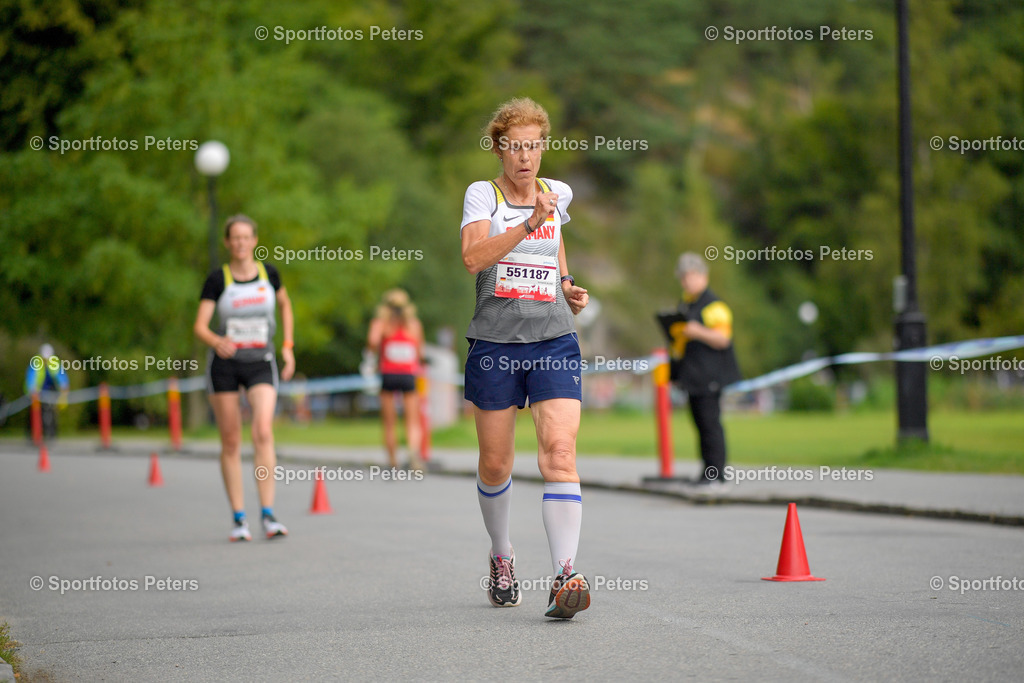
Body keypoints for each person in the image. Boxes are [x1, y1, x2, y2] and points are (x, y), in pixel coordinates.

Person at [461, 97, 592, 619]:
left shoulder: (557, 193)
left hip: (553, 337)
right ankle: (502, 554)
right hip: (495, 342)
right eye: (515, 147)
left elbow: (555, 241)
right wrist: (525, 224)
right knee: (496, 464)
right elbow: (473, 258)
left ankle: (565, 574)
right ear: (499, 149)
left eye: (533, 146)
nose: (525, 157)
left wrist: (566, 283)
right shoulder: (483, 195)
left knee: (559, 451)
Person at [193, 214, 295, 542]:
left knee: (263, 431)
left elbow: (285, 306)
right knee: (231, 440)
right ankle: (239, 517)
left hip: (260, 362)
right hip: (225, 365)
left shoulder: (269, 275)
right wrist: (216, 341)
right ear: (227, 242)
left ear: (254, 240)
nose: (240, 243)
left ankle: (268, 513)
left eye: (245, 237)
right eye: (234, 238)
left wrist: (288, 346)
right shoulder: (217, 279)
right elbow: (200, 326)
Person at [671, 252, 741, 487]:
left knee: (711, 426)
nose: (685, 282)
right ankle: (707, 473)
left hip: (711, 376)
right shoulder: (687, 302)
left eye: (689, 276)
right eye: (682, 277)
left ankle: (716, 475)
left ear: (703, 276)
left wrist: (697, 331)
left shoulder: (714, 305)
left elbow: (723, 339)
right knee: (701, 425)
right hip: (695, 376)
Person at [366, 288, 424, 470]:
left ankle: (393, 461)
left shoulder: (381, 323)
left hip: (388, 374)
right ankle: (413, 453)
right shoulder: (413, 325)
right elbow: (419, 352)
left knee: (389, 423)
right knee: (412, 420)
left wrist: (376, 353)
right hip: (408, 374)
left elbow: (372, 342)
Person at [24, 343, 69, 439]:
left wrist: (64, 386)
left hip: (50, 392)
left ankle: (51, 434)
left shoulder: (54, 362)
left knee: (51, 413)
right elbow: (31, 377)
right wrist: (32, 390)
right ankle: (32, 435)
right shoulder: (36, 362)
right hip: (36, 393)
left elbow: (61, 375)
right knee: (33, 414)